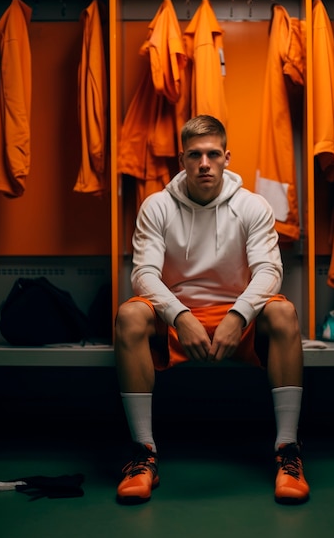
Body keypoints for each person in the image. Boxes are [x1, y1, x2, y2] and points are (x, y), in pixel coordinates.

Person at [115, 114, 310, 505]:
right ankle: (143, 456)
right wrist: (179, 315)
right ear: (182, 160)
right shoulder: (156, 206)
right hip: (178, 316)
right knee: (129, 315)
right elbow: (144, 274)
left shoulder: (252, 205)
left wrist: (238, 316)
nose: (204, 163)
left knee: (284, 313)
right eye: (194, 155)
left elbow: (270, 270)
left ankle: (288, 452)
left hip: (238, 317)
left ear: (226, 157)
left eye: (212, 154)